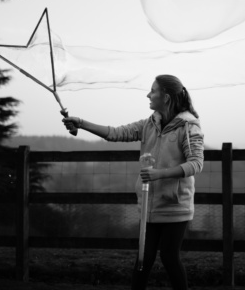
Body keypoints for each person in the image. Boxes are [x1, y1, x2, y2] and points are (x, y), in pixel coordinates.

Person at [62, 74, 204, 290]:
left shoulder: (188, 126)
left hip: (175, 206)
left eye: (153, 90)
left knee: (169, 257)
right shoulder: (149, 123)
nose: (148, 94)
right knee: (142, 259)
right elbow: (115, 133)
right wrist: (81, 123)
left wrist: (160, 174)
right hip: (149, 205)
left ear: (165, 97)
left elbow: (196, 164)